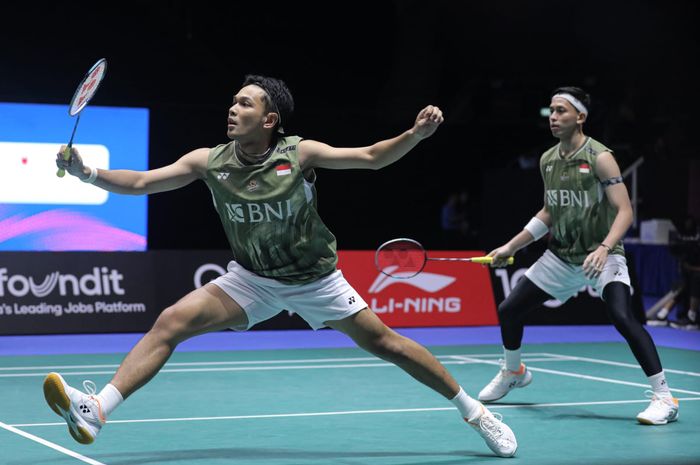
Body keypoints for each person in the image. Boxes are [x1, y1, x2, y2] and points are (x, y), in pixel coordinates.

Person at [44, 74, 517, 457]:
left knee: (387, 344)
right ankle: (95, 410)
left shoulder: (299, 152)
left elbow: (372, 158)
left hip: (316, 279)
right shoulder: (210, 161)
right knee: (171, 322)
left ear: (269, 119)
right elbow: (144, 181)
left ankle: (476, 412)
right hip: (253, 279)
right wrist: (88, 172)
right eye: (233, 102)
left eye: (245, 104)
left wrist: (415, 135)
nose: (233, 109)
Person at [481, 86, 679, 426]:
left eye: (561, 111)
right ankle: (513, 371)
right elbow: (548, 213)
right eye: (551, 111)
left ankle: (665, 397)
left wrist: (604, 248)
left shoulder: (600, 157)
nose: (553, 118)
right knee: (510, 309)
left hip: (602, 254)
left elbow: (625, 211)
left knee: (621, 315)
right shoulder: (547, 160)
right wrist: (511, 247)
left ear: (580, 117)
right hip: (562, 257)